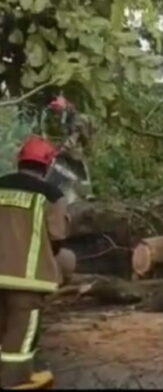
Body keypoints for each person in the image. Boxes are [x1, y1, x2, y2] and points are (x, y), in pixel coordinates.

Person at [0, 135, 69, 389]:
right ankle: (14, 381)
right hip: (26, 279)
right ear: (48, 165)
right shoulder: (52, 195)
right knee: (21, 335)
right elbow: (57, 236)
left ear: (19, 160)